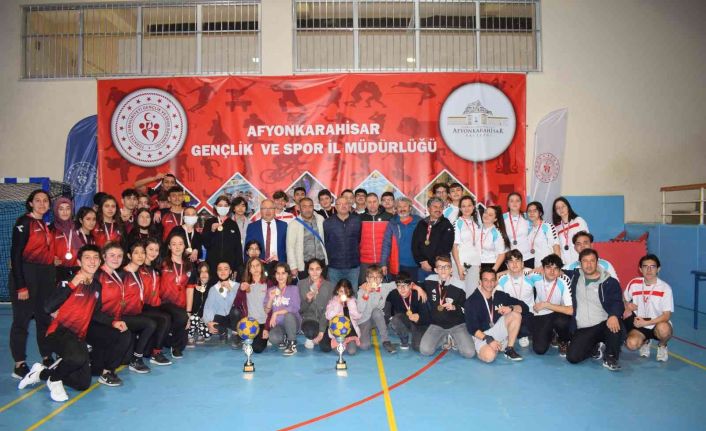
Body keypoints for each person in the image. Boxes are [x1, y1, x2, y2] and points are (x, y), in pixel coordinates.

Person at [17, 245, 130, 401]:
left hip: (78, 336)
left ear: (100, 261)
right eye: (87, 258)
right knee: (76, 358)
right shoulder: (68, 281)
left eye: (95, 258)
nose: (92, 261)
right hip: (58, 332)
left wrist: (113, 323)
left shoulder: (96, 286)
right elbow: (48, 307)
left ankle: (41, 373)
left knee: (82, 384)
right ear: (79, 262)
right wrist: (72, 284)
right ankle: (54, 380)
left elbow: (95, 313)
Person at [10, 190, 57, 379]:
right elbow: (15, 254)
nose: (42, 203)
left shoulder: (45, 225)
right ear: (30, 203)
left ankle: (47, 357)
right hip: (26, 275)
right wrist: (21, 285)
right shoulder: (24, 222)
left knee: (44, 318)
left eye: (45, 201)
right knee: (21, 321)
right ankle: (19, 364)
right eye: (38, 200)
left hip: (44, 277)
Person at [564, 249, 624, 371]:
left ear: (597, 262)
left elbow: (617, 301)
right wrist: (541, 268)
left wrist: (614, 315)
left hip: (603, 324)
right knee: (572, 357)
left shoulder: (609, 281)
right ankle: (593, 347)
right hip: (584, 327)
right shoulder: (574, 276)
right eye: (585, 261)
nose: (589, 264)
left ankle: (610, 357)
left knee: (615, 324)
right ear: (580, 263)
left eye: (592, 261)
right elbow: (555, 270)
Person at [418, 256, 475, 359]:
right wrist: (418, 288)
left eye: (446, 267)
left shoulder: (460, 285)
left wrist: (454, 307)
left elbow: (465, 308)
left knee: (469, 353)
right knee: (425, 350)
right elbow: (413, 285)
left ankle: (453, 338)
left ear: (451, 269)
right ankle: (445, 339)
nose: (443, 270)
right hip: (437, 324)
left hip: (457, 325)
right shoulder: (429, 280)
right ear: (435, 270)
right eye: (440, 267)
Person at [465, 268, 526, 363]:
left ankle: (509, 349)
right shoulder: (471, 301)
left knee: (515, 315)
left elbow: (523, 306)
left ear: (496, 282)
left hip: (497, 330)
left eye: (492, 280)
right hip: (482, 335)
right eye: (486, 280)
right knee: (489, 357)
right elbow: (472, 329)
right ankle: (492, 347)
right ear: (480, 282)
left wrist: (511, 308)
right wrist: (489, 340)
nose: (489, 283)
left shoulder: (500, 295)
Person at [623, 254, 673, 362]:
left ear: (658, 269)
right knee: (631, 344)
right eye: (645, 266)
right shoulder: (634, 283)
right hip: (639, 323)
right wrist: (627, 306)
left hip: (657, 323)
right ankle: (645, 341)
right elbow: (624, 298)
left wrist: (646, 323)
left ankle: (662, 345)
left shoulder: (665, 288)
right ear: (640, 269)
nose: (649, 270)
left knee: (664, 330)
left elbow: (667, 315)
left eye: (652, 267)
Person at [118, 242, 158, 373]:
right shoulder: (122, 274)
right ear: (129, 256)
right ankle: (136, 359)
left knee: (158, 319)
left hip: (136, 312)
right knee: (150, 324)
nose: (140, 256)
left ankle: (146, 352)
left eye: (142, 253)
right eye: (136, 253)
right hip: (122, 315)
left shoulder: (139, 272)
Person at [526, 254, 573, 356]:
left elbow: (571, 310)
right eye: (548, 267)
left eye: (555, 268)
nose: (552, 271)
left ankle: (563, 340)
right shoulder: (535, 276)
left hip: (558, 313)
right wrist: (498, 274)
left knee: (562, 321)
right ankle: (552, 333)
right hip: (541, 314)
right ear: (543, 268)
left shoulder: (564, 280)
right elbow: (518, 272)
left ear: (560, 270)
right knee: (539, 349)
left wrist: (546, 305)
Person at [160, 232, 196, 359]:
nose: (177, 247)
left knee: (182, 344)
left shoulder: (189, 265)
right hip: (163, 303)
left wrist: (189, 312)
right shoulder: (162, 263)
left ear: (185, 246)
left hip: (181, 305)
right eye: (174, 244)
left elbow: (190, 289)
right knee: (181, 317)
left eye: (180, 244)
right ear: (169, 246)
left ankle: (173, 344)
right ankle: (171, 344)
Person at [138, 238, 172, 365]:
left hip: (153, 305)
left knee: (168, 315)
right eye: (150, 249)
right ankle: (156, 353)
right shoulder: (138, 268)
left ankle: (154, 350)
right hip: (140, 307)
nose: (153, 253)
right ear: (144, 249)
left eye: (156, 250)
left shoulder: (155, 269)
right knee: (165, 318)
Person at [356, 265, 399, 354]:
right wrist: (366, 293)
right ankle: (365, 332)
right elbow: (360, 309)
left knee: (377, 312)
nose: (375, 280)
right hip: (363, 320)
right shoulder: (362, 291)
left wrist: (416, 287)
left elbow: (399, 283)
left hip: (376, 318)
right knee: (364, 346)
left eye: (378, 277)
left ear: (381, 279)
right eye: (372, 277)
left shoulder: (384, 287)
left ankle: (385, 341)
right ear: (367, 279)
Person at [496, 250, 535, 347]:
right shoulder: (503, 279)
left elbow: (546, 273)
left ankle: (522, 334)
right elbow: (497, 298)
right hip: (510, 312)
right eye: (511, 261)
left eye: (517, 261)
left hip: (528, 312)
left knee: (526, 328)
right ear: (507, 265)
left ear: (522, 264)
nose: (514, 264)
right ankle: (508, 333)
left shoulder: (531, 275)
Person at [412, 197, 454, 282]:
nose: (438, 209)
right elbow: (415, 244)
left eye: (440, 207)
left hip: (439, 268)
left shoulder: (447, 225)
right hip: (423, 267)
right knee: (422, 289)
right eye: (435, 207)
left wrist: (432, 264)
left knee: (439, 290)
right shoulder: (421, 224)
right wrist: (422, 261)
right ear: (428, 208)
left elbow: (446, 247)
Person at [323, 196, 362, 288]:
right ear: (335, 207)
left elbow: (359, 239)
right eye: (340, 204)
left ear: (349, 206)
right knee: (334, 293)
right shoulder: (328, 222)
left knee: (353, 292)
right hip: (334, 266)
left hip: (353, 265)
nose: (343, 206)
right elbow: (326, 242)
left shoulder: (357, 220)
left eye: (346, 204)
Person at [263, 263, 301, 355]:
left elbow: (295, 307)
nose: (280, 276)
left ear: (288, 274)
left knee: (288, 315)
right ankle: (284, 339)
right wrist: (271, 298)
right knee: (273, 338)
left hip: (292, 323)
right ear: (275, 275)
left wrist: (276, 313)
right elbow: (266, 310)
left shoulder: (293, 289)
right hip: (279, 324)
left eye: (283, 273)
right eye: (278, 273)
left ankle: (292, 343)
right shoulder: (271, 290)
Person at [386, 272, 429, 351]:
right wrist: (389, 320)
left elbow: (428, 317)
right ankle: (404, 340)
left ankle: (442, 338)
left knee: (417, 347)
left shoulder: (419, 294)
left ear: (410, 286)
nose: (402, 289)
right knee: (395, 319)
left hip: (420, 324)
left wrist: (419, 318)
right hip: (406, 321)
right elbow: (387, 311)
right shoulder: (393, 294)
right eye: (399, 286)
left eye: (405, 285)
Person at [204, 196, 244, 281]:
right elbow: (206, 244)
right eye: (220, 205)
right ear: (215, 206)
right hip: (213, 265)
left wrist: (237, 268)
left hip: (229, 266)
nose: (223, 207)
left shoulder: (233, 224)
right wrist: (212, 231)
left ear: (229, 207)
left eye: (225, 205)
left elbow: (238, 247)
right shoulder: (209, 223)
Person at [298, 258, 335, 351]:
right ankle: (310, 336)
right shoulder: (301, 284)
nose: (314, 272)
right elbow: (300, 310)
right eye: (311, 269)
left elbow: (327, 310)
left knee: (326, 348)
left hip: (324, 319)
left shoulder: (329, 286)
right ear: (308, 270)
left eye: (317, 269)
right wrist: (308, 300)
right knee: (311, 332)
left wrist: (322, 331)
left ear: (321, 270)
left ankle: (318, 334)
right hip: (309, 319)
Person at [234, 257, 269, 353]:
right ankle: (244, 337)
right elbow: (236, 304)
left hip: (264, 322)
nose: (255, 268)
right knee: (252, 347)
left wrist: (267, 328)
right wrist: (241, 291)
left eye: (257, 265)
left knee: (257, 349)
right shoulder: (245, 284)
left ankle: (267, 336)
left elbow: (273, 307)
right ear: (249, 269)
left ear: (261, 267)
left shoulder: (268, 283)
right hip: (250, 322)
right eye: (252, 266)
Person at [287, 197, 327, 280]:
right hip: (304, 264)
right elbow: (290, 247)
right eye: (304, 206)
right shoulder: (294, 224)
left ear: (313, 207)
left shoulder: (320, 219)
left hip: (321, 261)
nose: (308, 209)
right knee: (305, 287)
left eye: (310, 206)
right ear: (299, 208)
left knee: (322, 286)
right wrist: (293, 266)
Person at [380, 197, 421, 279]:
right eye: (399, 207)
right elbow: (386, 244)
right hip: (397, 265)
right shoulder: (392, 223)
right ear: (396, 209)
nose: (402, 209)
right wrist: (383, 263)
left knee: (413, 286)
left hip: (415, 264)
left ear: (410, 208)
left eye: (405, 206)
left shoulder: (419, 222)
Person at [358, 193, 393, 284]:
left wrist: (385, 261)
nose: (372, 204)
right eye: (369, 202)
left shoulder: (389, 217)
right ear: (366, 204)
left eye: (374, 202)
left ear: (378, 203)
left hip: (383, 261)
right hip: (365, 261)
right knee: (365, 288)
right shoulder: (360, 218)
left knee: (384, 289)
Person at [245, 199, 287, 272]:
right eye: (265, 208)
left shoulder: (283, 226)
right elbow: (247, 249)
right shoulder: (252, 227)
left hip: (279, 267)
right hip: (258, 267)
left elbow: (288, 247)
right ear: (260, 210)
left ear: (274, 210)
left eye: (270, 208)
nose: (268, 211)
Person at [451, 195, 482, 297]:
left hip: (475, 264)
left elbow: (478, 246)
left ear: (473, 207)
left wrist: (479, 264)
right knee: (458, 295)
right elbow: (454, 247)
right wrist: (459, 267)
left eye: (469, 205)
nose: (467, 208)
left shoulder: (476, 224)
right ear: (460, 208)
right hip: (460, 264)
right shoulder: (457, 223)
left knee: (472, 294)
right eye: (463, 206)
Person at [203, 262, 240, 342]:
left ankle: (235, 333)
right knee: (213, 324)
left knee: (236, 311)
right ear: (217, 272)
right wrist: (208, 322)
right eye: (220, 269)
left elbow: (238, 304)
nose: (223, 272)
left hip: (234, 319)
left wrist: (230, 289)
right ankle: (224, 331)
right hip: (221, 319)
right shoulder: (213, 289)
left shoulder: (237, 286)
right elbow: (208, 307)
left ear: (230, 272)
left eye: (226, 269)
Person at [325, 279, 362, 355]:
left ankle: (349, 342)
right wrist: (338, 304)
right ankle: (341, 343)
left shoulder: (352, 301)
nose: (343, 294)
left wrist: (350, 303)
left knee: (352, 351)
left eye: (346, 291)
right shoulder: (333, 302)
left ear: (349, 292)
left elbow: (357, 316)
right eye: (341, 291)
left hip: (350, 333)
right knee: (339, 352)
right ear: (337, 291)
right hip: (338, 334)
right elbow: (328, 316)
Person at [552, 197, 589, 264]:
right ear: (555, 211)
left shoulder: (578, 221)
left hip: (580, 261)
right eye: (558, 208)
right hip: (566, 264)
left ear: (568, 207)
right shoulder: (556, 228)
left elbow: (587, 241)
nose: (561, 209)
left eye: (563, 206)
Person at [526, 201, 560, 268]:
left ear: (540, 213)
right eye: (529, 211)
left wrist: (556, 267)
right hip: (537, 268)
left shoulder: (548, 226)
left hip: (549, 267)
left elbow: (556, 248)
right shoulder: (531, 231)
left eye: (535, 211)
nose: (532, 213)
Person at [503, 193, 532, 267]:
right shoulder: (502, 218)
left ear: (521, 203)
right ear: (508, 203)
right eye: (512, 201)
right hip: (510, 258)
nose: (514, 203)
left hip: (528, 256)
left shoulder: (528, 217)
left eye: (517, 201)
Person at [52, 196, 77, 283]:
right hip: (58, 270)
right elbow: (45, 249)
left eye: (68, 208)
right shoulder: (51, 229)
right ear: (56, 211)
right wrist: (51, 259)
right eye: (61, 209)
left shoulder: (78, 227)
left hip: (77, 269)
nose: (65, 212)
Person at [479, 205, 511, 272]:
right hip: (478, 264)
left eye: (490, 215)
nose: (486, 216)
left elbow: (501, 254)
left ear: (495, 219)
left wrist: (493, 271)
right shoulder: (478, 228)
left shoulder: (496, 233)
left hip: (492, 265)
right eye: (485, 212)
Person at [189, 262, 212, 345]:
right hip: (195, 317)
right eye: (201, 272)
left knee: (207, 334)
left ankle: (201, 334)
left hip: (207, 320)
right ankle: (189, 336)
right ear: (198, 274)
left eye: (206, 271)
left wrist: (204, 317)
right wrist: (196, 288)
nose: (204, 274)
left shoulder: (213, 287)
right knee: (193, 317)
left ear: (209, 274)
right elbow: (192, 307)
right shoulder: (193, 287)